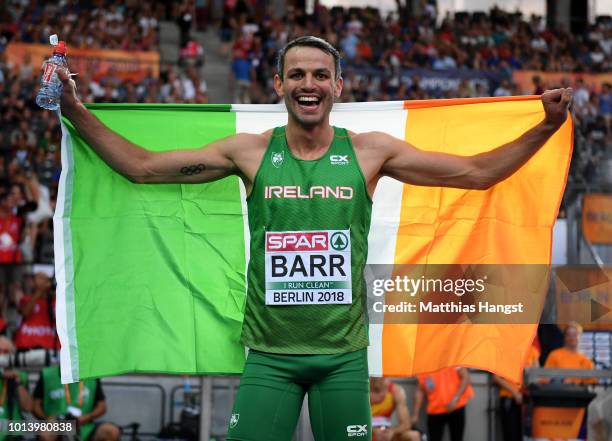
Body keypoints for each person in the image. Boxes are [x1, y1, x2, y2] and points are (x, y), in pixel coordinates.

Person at [57, 35, 572, 441]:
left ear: (338, 87)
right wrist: (76, 111)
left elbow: (478, 172)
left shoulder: (371, 153)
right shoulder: (249, 153)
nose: (310, 83)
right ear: (279, 85)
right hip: (269, 358)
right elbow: (143, 168)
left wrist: (546, 127)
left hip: (343, 360)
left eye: (321, 75)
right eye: (298, 74)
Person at [33, 364, 121, 441]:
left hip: (84, 425)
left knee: (111, 431)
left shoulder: (91, 375)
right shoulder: (48, 374)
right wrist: (47, 419)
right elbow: (35, 406)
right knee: (46, 433)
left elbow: (102, 406)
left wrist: (85, 418)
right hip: (57, 424)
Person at [493, 339, 540, 441]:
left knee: (527, 436)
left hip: (527, 401)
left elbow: (536, 376)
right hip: (509, 399)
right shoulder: (504, 350)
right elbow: (496, 377)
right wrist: (515, 393)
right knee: (510, 435)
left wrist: (525, 393)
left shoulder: (533, 351)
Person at [413, 367, 474, 441]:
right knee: (434, 438)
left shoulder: (451, 358)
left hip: (456, 406)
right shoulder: (424, 364)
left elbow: (465, 377)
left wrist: (455, 399)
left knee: (457, 438)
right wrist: (415, 414)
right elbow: (420, 390)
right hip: (435, 409)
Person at [0, 336, 33, 440]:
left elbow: (28, 407)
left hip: (13, 434)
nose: (2, 355)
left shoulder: (20, 376)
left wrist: (17, 381)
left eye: (5, 352)